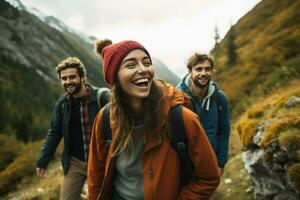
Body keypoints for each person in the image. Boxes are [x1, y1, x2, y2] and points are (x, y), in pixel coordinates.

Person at [88, 39, 220, 200]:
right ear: (115, 77)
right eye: (131, 65)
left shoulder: (182, 118)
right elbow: (96, 175)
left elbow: (209, 177)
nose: (143, 69)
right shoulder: (104, 119)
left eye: (147, 63)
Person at [36, 57, 102, 200]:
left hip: (99, 161)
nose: (68, 82)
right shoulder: (62, 104)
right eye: (64, 78)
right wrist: (43, 160)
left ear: (82, 77)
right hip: (75, 162)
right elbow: (54, 132)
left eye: (72, 77)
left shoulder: (100, 98)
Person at [176, 53, 230, 175]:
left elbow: (223, 133)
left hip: (210, 163)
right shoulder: (178, 99)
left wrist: (220, 164)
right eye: (198, 69)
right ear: (190, 72)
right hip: (184, 166)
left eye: (207, 69)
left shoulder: (220, 99)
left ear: (212, 71)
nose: (203, 73)